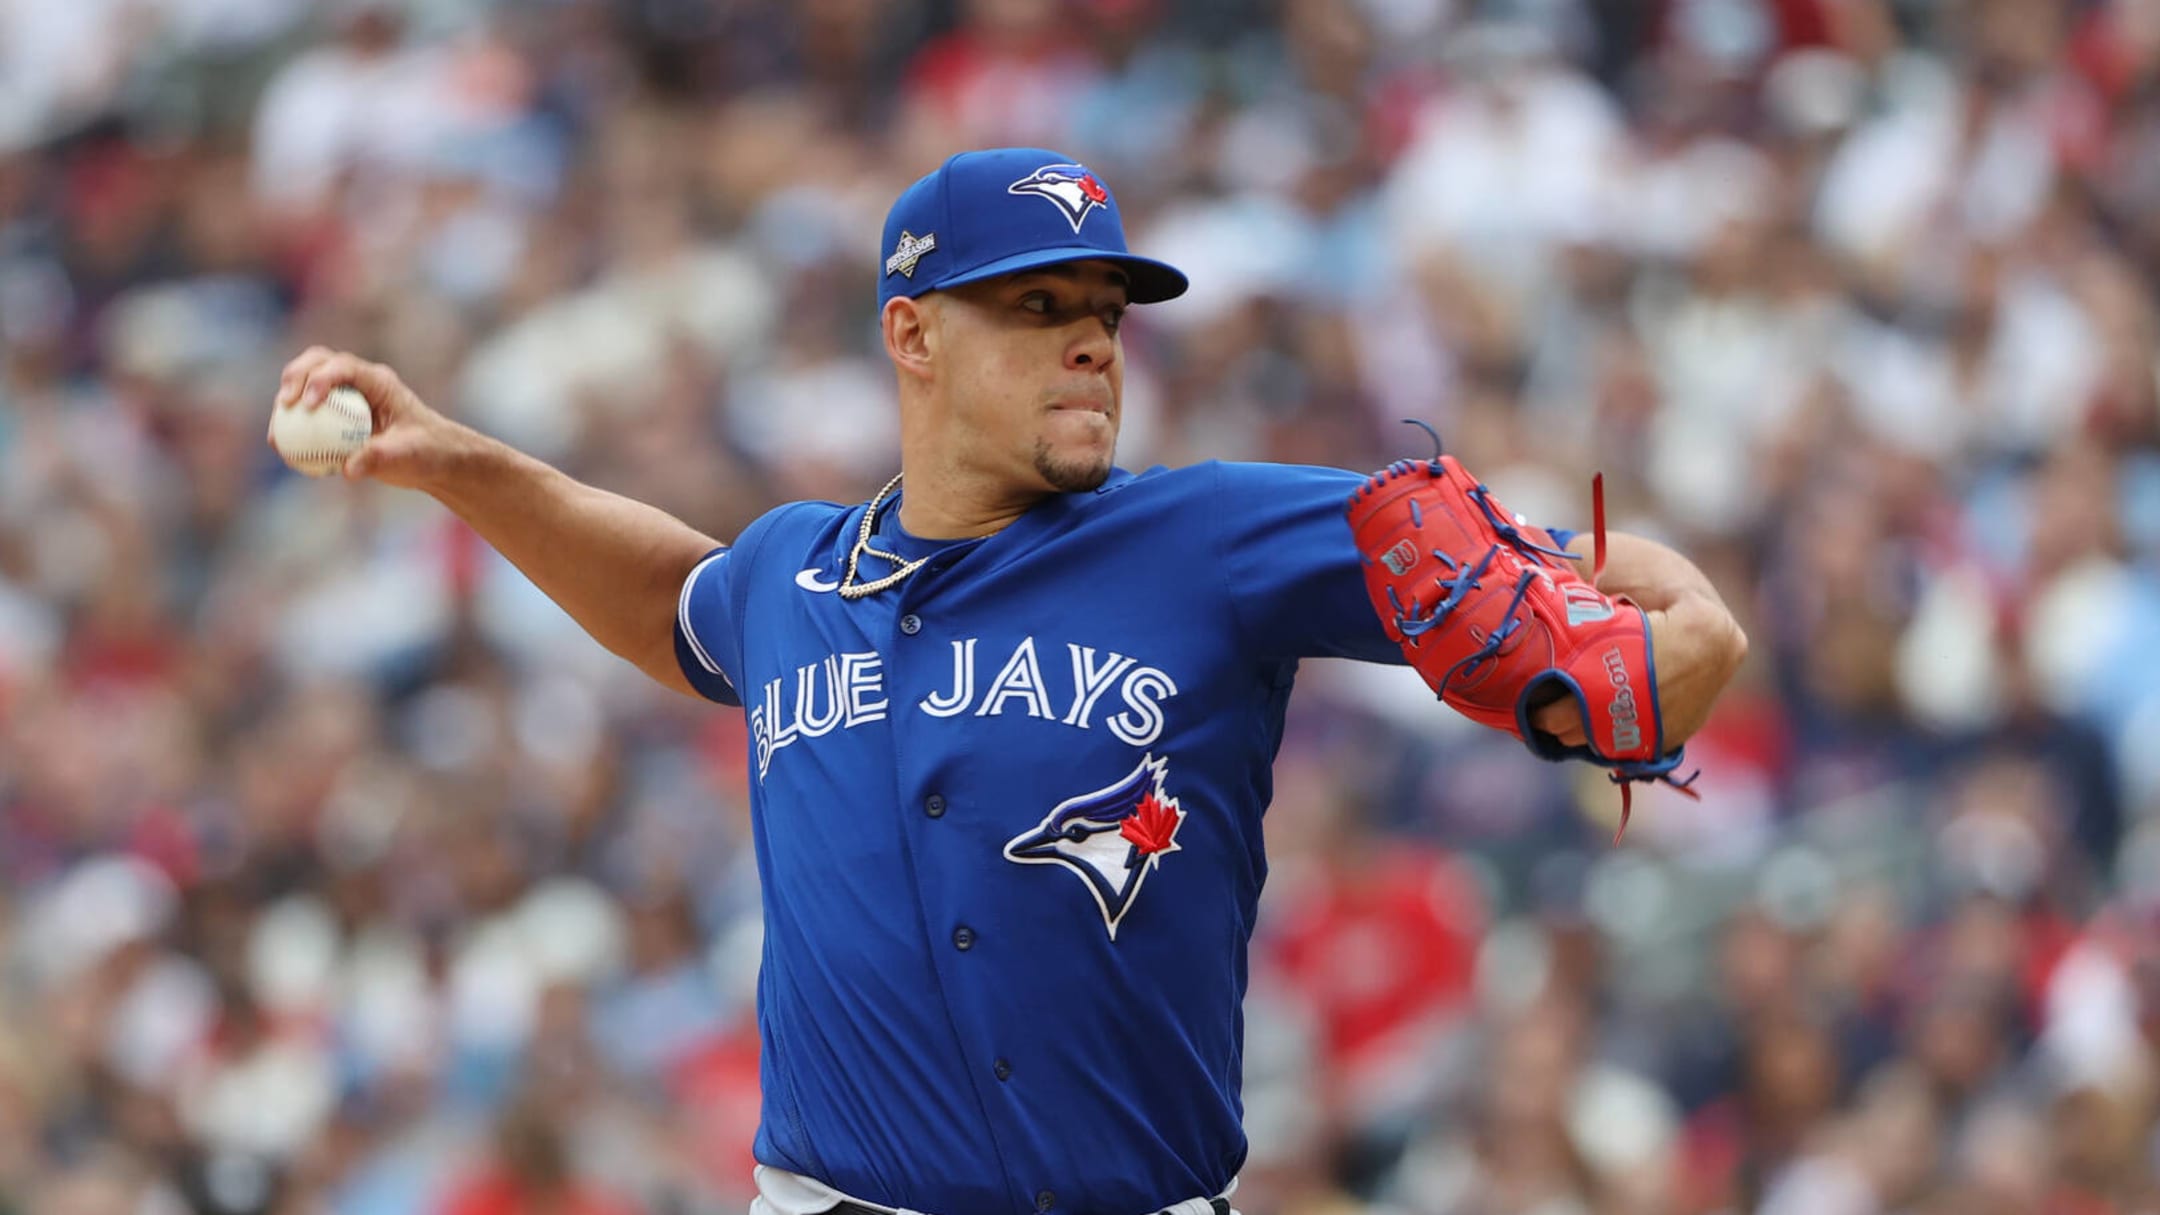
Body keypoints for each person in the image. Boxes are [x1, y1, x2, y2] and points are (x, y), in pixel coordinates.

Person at [271, 148, 1747, 1215]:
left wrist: (1669, 637)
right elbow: (675, 596)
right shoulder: (794, 576)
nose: (1091, 342)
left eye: (1103, 309)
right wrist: (454, 460)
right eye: (1036, 307)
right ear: (913, 335)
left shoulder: (1214, 536)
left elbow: (1588, 611)